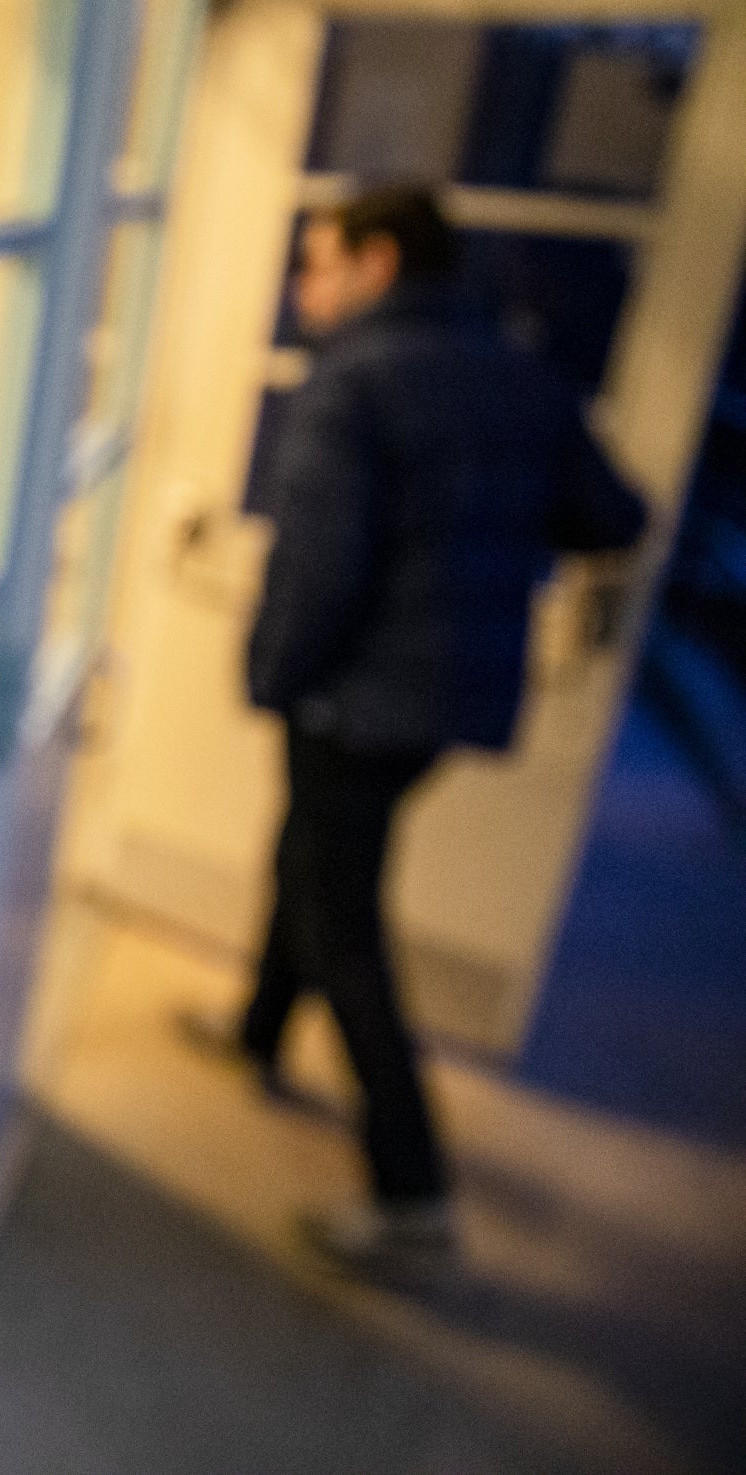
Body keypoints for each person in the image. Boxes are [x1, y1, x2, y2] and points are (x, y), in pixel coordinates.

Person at [180, 184, 646, 1276]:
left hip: (354, 697)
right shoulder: (514, 370)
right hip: (443, 703)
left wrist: (273, 675)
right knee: (310, 856)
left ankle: (413, 1194)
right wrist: (487, 529)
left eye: (317, 263)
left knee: (342, 920)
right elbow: (610, 515)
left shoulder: (355, 381)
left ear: (378, 262)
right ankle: (257, 1029)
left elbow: (319, 571)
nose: (303, 287)